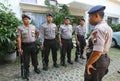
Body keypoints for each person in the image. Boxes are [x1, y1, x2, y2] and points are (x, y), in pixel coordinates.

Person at [84, 5, 113, 81]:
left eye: (90, 17)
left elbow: (97, 52)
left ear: (96, 15)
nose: (89, 19)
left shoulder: (99, 28)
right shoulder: (108, 27)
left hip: (96, 61)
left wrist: (89, 63)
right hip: (104, 59)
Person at [16, 14, 41, 79]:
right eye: (25, 19)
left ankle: (35, 68)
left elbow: (37, 32)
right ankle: (27, 71)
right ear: (22, 20)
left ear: (29, 20)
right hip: (25, 46)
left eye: (27, 19)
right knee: (26, 60)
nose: (26, 20)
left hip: (33, 45)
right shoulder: (20, 28)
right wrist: (19, 48)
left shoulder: (33, 26)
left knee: (34, 58)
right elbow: (19, 38)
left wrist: (35, 38)